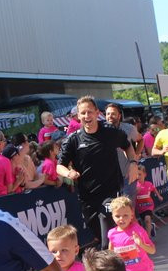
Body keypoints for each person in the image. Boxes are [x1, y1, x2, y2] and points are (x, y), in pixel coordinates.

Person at [57, 96, 132, 247]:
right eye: (83, 113)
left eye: (90, 112)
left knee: (107, 237)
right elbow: (59, 166)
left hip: (111, 192)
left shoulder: (110, 133)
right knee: (98, 234)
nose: (87, 116)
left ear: (97, 113)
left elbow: (128, 146)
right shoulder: (73, 140)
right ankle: (121, 256)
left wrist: (134, 163)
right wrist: (68, 173)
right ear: (78, 116)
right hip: (87, 197)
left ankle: (116, 265)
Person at [107, 196, 158, 271]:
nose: (121, 219)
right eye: (117, 216)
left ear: (131, 215)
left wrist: (141, 244)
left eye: (125, 215)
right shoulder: (112, 233)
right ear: (112, 216)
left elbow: (152, 250)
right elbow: (110, 250)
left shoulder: (138, 231)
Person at [133, 161, 162, 238]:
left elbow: (154, 189)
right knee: (143, 222)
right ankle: (151, 227)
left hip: (149, 206)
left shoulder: (148, 184)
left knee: (147, 219)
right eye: (136, 175)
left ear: (145, 175)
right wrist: (136, 192)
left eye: (140, 174)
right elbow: (132, 196)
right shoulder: (135, 186)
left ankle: (148, 238)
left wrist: (159, 196)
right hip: (140, 208)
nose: (138, 176)